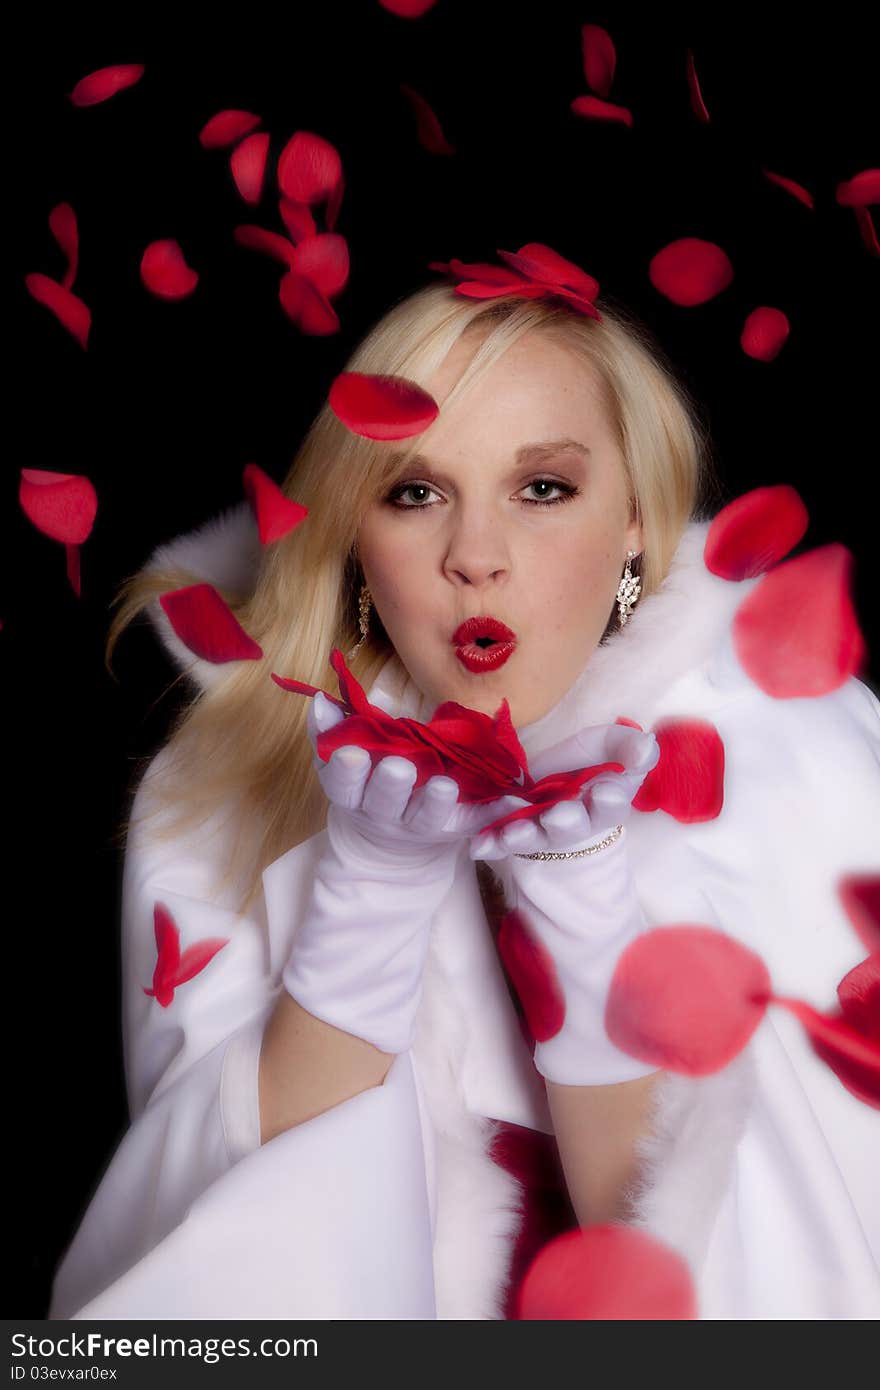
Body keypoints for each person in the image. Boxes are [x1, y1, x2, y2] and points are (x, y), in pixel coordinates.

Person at [49, 268, 880, 1321]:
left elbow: (761, 1286)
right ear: (356, 540)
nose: (474, 558)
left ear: (634, 519)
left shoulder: (797, 743)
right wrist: (370, 893)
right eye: (413, 492)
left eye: (542, 489)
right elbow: (219, 1277)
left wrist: (576, 899)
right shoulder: (224, 779)